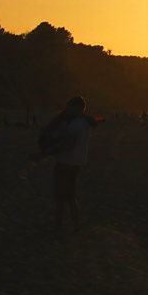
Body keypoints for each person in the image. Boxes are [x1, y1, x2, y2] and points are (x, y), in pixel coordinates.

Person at [45, 96, 98, 234]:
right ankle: (75, 227)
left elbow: (69, 144)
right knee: (71, 196)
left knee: (60, 196)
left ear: (77, 108)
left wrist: (51, 150)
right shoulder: (85, 123)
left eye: (70, 106)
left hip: (66, 163)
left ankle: (58, 228)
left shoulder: (76, 124)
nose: (67, 108)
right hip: (76, 163)